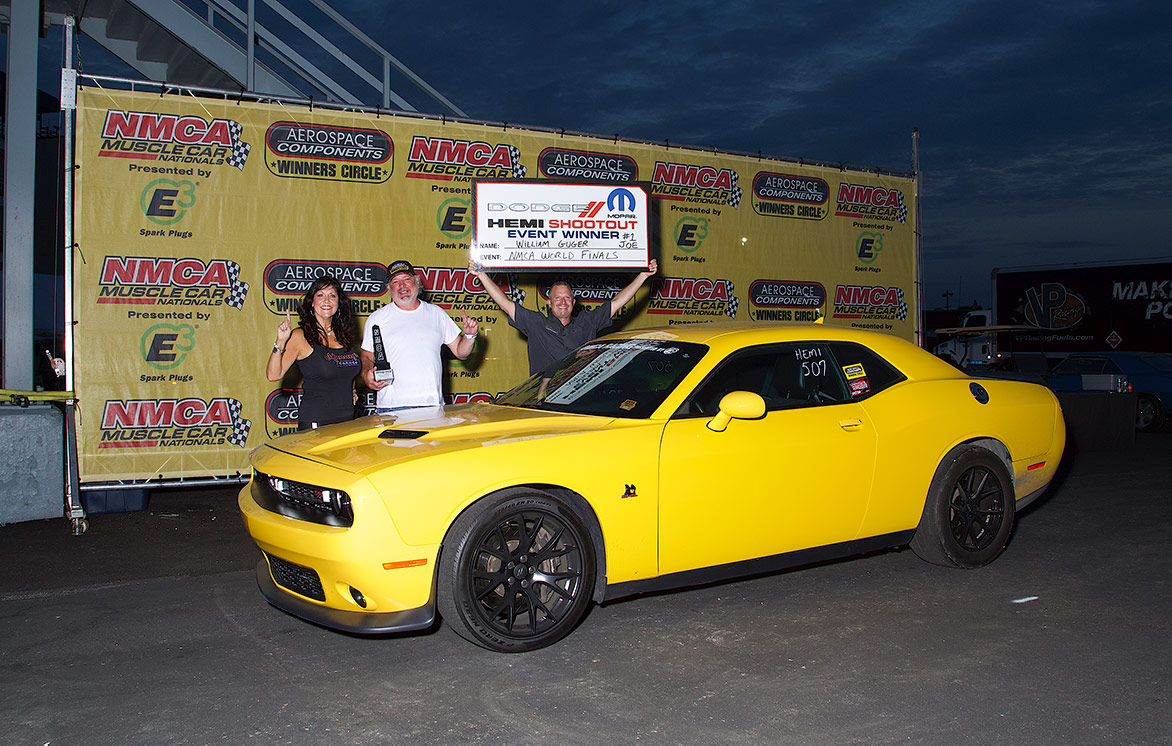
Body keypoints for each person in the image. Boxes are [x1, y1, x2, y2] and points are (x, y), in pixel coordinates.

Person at [468, 258, 658, 376]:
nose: (562, 302)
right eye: (557, 298)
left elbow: (618, 302)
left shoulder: (588, 322)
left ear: (574, 302)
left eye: (567, 297)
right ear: (549, 303)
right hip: (544, 399)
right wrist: (482, 276)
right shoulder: (536, 324)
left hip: (580, 398)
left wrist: (642, 275)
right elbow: (505, 303)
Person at [361, 259, 478, 412]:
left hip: (432, 406)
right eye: (395, 282)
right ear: (389, 289)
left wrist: (469, 337)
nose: (402, 286)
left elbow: (460, 352)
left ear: (417, 283)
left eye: (407, 279)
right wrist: (366, 375)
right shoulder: (377, 318)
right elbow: (367, 356)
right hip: (391, 408)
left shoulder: (436, 313)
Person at [267, 276, 360, 430]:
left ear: (339, 303)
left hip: (347, 420)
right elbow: (273, 375)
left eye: (332, 295)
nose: (327, 300)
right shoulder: (300, 336)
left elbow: (348, 367)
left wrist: (353, 389)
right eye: (320, 295)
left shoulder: (343, 335)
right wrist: (281, 341)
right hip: (317, 423)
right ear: (312, 302)